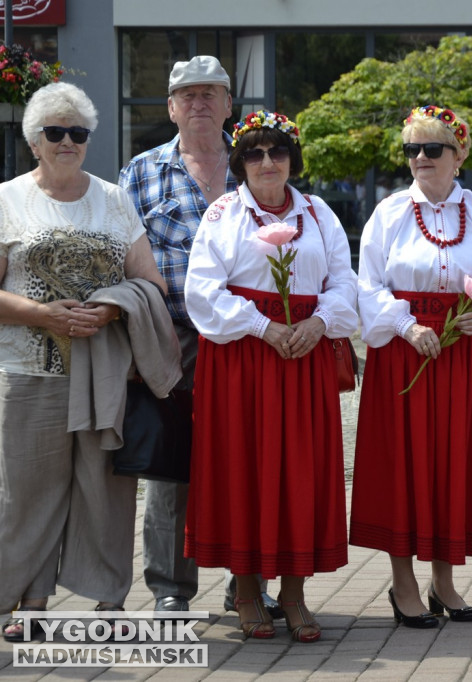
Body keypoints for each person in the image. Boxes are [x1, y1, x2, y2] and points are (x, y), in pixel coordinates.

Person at [0, 82, 170, 639]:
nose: (67, 141)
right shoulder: (7, 200)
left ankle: (110, 601)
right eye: (55, 132)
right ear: (35, 141)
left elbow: (150, 281)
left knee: (106, 492)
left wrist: (112, 309)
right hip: (29, 371)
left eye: (78, 132)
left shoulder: (114, 200)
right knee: (28, 493)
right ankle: (29, 605)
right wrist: (43, 314)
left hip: (105, 375)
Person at [119, 55, 286, 618]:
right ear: (169, 108)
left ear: (229, 106)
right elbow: (119, 261)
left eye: (210, 93)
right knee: (172, 467)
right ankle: (171, 588)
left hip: (248, 340)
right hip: (175, 338)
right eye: (186, 95)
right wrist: (138, 341)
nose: (198, 103)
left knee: (252, 461)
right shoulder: (140, 172)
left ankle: (249, 584)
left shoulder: (258, 166)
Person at [183, 110, 357, 641]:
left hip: (303, 357)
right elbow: (202, 291)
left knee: (301, 470)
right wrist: (263, 327)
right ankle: (245, 588)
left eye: (277, 151)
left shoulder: (319, 213)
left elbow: (343, 281)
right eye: (254, 153)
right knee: (246, 468)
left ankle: (296, 592)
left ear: (292, 160)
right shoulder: (222, 215)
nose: (266, 162)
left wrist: (321, 321)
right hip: (242, 360)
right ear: (239, 161)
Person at [351, 105, 472, 628]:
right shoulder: (389, 213)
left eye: (432, 148)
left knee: (454, 462)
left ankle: (443, 580)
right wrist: (407, 327)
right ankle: (402, 584)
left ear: (459, 154)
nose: (420, 159)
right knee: (403, 464)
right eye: (412, 150)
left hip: (463, 356)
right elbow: (368, 286)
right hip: (405, 353)